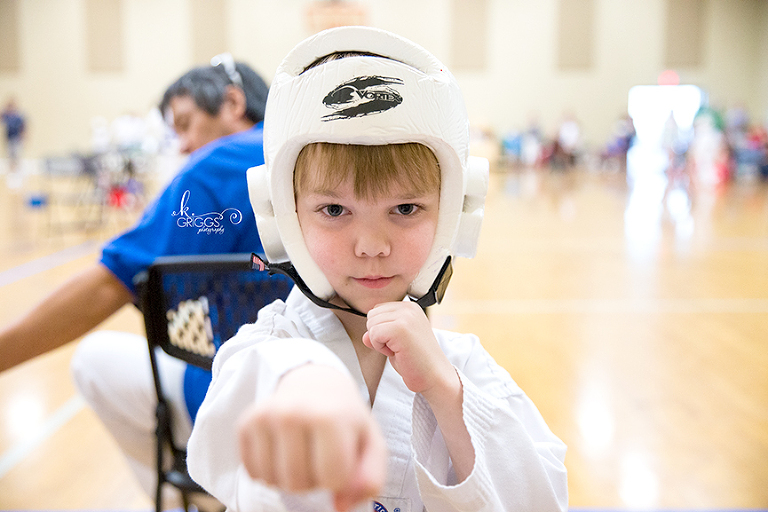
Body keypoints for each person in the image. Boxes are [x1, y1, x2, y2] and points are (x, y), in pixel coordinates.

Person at [187, 27, 568, 512]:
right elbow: (217, 439)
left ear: (454, 213)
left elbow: (542, 498)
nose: (371, 246)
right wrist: (303, 379)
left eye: (406, 209)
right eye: (334, 210)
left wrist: (447, 393)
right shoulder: (267, 349)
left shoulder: (463, 368)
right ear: (283, 215)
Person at [0, 54, 269, 506]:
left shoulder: (219, 164)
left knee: (93, 360)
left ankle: (197, 498)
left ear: (233, 102)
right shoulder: (314, 153)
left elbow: (113, 281)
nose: (183, 145)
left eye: (185, 124)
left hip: (249, 395)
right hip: (356, 389)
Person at [2, 98, 26, 174]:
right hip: (9, 139)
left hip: (17, 139)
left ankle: (18, 171)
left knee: (17, 155)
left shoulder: (19, 117)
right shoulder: (6, 116)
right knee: (10, 155)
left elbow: (23, 127)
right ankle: (11, 171)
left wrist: (24, 137)